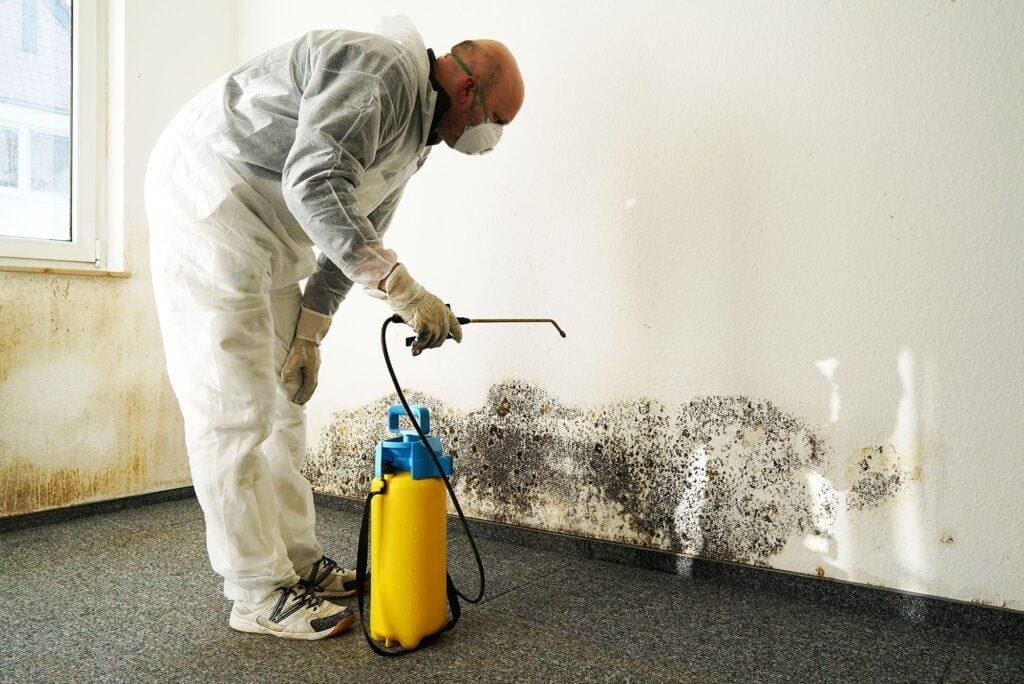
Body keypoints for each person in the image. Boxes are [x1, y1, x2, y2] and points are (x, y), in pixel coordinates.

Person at [144, 15, 524, 640]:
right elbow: (314, 183)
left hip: (266, 233)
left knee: (284, 405)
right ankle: (255, 591)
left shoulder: (415, 141)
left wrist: (310, 335)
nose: (491, 138)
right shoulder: (377, 73)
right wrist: (405, 292)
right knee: (233, 408)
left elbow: (355, 236)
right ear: (468, 93)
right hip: (210, 204)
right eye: (497, 121)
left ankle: (299, 563)